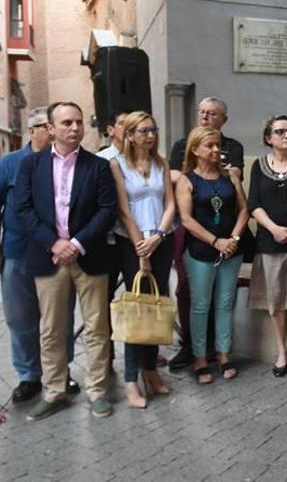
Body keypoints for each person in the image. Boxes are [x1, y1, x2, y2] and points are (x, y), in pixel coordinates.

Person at [16, 102, 118, 420]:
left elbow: (107, 210)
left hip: (89, 256)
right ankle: (55, 390)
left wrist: (75, 243)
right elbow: (23, 210)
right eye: (66, 123)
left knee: (97, 328)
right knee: (51, 330)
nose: (74, 128)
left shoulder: (98, 166)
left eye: (78, 122)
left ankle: (97, 391)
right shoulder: (31, 166)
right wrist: (55, 243)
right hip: (49, 259)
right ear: (51, 129)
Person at [0, 107, 79, 403]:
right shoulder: (10, 164)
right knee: (21, 319)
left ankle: (61, 371)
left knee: (60, 319)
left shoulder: (64, 163)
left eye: (51, 125)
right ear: (32, 131)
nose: (50, 131)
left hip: (57, 255)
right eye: (44, 126)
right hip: (18, 253)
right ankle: (29, 376)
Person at [167, 97, 244, 370]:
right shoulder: (182, 152)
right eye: (201, 112)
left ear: (223, 119)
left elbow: (240, 200)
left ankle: (220, 352)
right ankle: (194, 351)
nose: (204, 116)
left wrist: (232, 239)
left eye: (212, 113)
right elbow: (177, 185)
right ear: (195, 149)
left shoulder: (233, 152)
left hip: (228, 242)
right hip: (197, 243)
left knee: (224, 301)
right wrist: (215, 241)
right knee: (193, 298)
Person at [108, 111, 175, 407]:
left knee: (157, 307)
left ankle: (151, 371)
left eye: (153, 129)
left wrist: (159, 235)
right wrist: (141, 248)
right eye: (143, 130)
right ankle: (131, 380)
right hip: (132, 243)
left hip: (161, 239)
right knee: (137, 309)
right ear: (130, 135)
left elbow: (170, 203)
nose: (150, 135)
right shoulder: (117, 164)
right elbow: (123, 210)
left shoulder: (162, 163)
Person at [248, 115, 287, 379]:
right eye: (280, 131)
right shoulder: (259, 166)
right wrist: (274, 228)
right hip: (269, 242)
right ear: (268, 138)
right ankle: (281, 350)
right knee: (276, 301)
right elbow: (254, 203)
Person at [96, 109, 130, 370]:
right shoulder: (101, 160)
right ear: (110, 130)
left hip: (133, 240)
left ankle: (140, 348)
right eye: (122, 124)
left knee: (137, 297)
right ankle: (106, 356)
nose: (128, 128)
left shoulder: (143, 158)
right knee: (105, 298)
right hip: (107, 240)